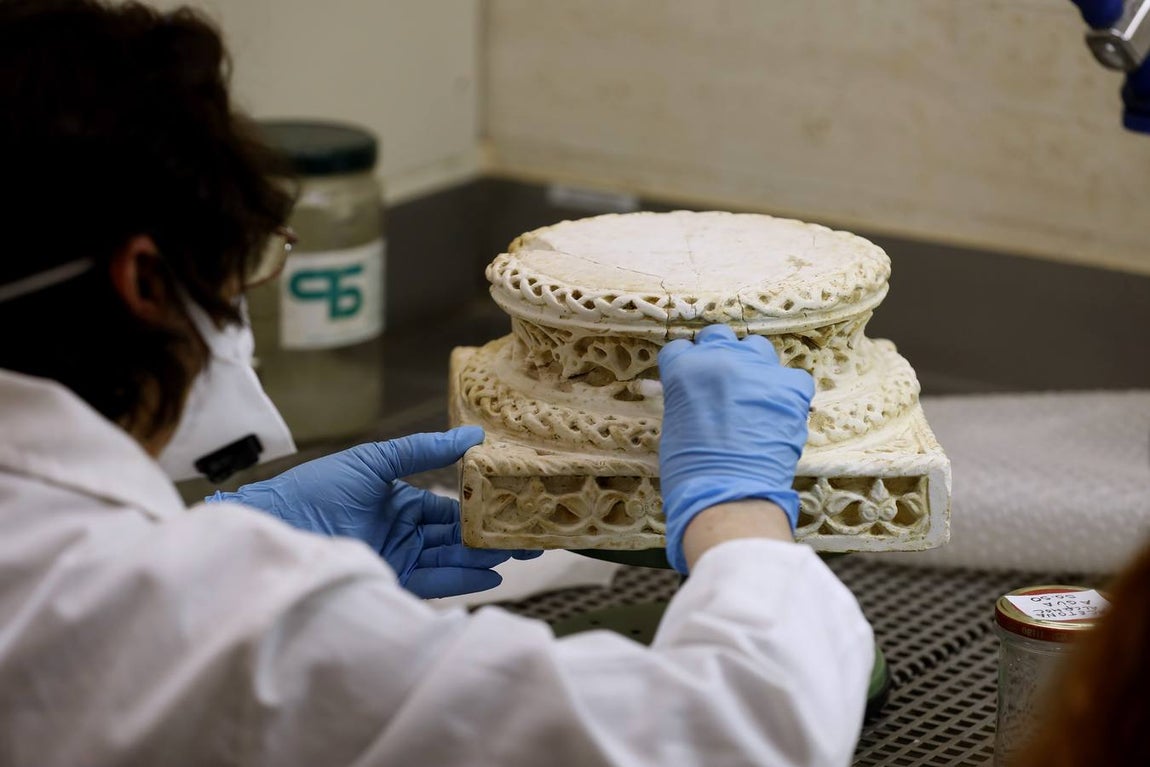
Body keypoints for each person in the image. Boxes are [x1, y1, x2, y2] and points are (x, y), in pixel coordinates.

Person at [0, 2, 873, 765]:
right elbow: (731, 736)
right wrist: (737, 510)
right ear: (147, 284)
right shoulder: (212, 622)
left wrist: (218, 527)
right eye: (244, 267)